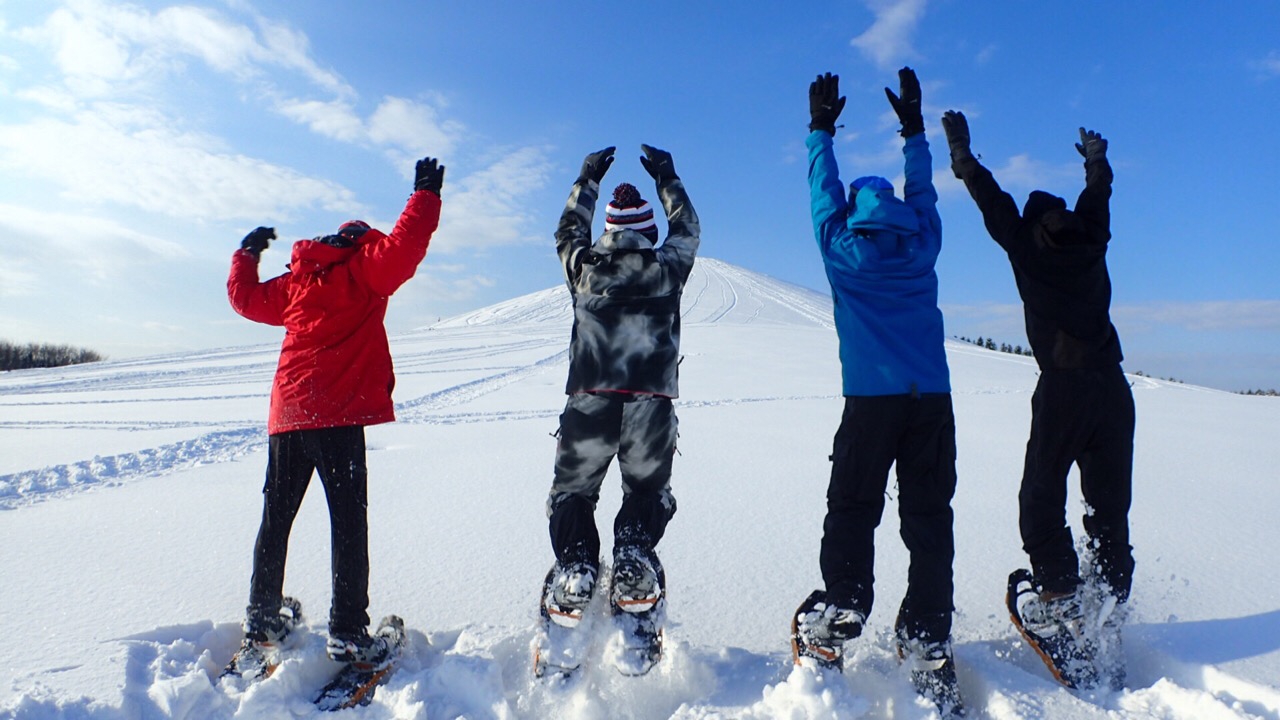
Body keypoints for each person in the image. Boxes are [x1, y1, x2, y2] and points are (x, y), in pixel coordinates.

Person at [222, 155, 445, 679]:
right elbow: (405, 250)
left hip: (288, 413)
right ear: (360, 239)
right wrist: (426, 193)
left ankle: (261, 621)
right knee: (348, 524)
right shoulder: (365, 265)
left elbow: (245, 298)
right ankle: (347, 634)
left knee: (277, 517)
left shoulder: (300, 279)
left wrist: (246, 252)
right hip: (336, 415)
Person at [942, 110, 1134, 689]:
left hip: (1064, 389)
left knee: (1040, 493)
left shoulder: (1027, 244)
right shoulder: (1092, 237)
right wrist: (1096, 159)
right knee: (1108, 506)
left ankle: (1059, 591)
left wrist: (962, 154)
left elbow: (990, 199)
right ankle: (1109, 599)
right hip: (1114, 389)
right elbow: (1097, 194)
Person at [792, 69, 963, 717]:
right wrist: (914, 129)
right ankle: (927, 635)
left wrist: (819, 130)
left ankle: (845, 603)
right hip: (932, 401)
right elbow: (924, 191)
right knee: (928, 518)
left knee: (853, 504)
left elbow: (820, 192)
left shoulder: (841, 245)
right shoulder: (922, 241)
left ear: (855, 210)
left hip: (869, 400)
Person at [537, 144, 699, 676]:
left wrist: (586, 182)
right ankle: (632, 563)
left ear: (608, 229)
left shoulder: (584, 267)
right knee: (647, 494)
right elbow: (688, 228)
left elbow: (565, 232)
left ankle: (577, 570)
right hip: (650, 407)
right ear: (646, 229)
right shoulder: (665, 267)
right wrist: (668, 179)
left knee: (573, 494)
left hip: (589, 402)